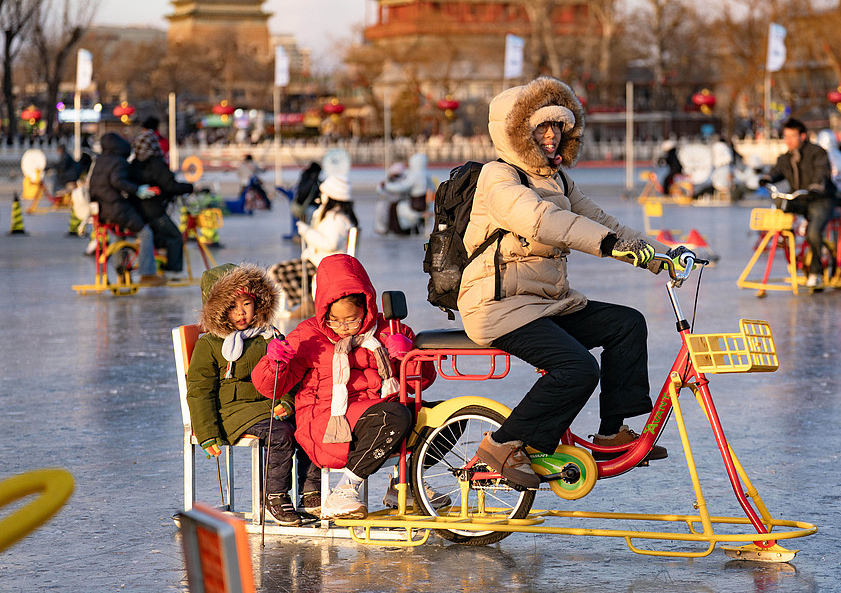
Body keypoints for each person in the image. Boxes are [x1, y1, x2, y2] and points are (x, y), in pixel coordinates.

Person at [458, 76, 694, 489]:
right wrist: (606, 245)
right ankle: (502, 444)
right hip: (498, 305)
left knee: (626, 324)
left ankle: (611, 434)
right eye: (541, 127)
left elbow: (604, 222)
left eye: (557, 126)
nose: (551, 136)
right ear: (516, 133)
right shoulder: (498, 178)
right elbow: (540, 219)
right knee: (577, 368)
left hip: (546, 302)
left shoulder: (559, 180)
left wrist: (663, 256)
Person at [252, 254, 440, 519]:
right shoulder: (308, 335)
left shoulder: (391, 329)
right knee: (395, 415)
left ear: (367, 307)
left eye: (351, 320)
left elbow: (423, 382)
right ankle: (344, 490)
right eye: (334, 320)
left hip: (379, 411)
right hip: (327, 420)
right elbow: (270, 388)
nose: (343, 328)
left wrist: (410, 356)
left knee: (445, 417)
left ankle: (405, 482)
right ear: (324, 312)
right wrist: (274, 363)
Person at [185, 263, 315, 525]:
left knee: (309, 423)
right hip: (231, 412)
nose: (241, 312)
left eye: (246, 304)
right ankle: (274, 497)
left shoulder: (269, 336)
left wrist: (287, 402)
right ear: (218, 309)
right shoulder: (210, 344)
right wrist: (207, 434)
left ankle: (311, 492)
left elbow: (289, 375)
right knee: (281, 434)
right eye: (232, 306)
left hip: (266, 406)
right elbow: (199, 390)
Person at [760, 117, 837, 289]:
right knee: (780, 208)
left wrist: (816, 185)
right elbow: (777, 171)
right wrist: (767, 178)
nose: (788, 140)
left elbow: (821, 171)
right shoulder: (785, 157)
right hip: (799, 198)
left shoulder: (817, 153)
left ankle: (816, 271)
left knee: (814, 232)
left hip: (820, 199)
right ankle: (792, 251)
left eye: (791, 136)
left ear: (802, 136)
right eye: (785, 136)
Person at [268, 176, 358, 316]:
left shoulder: (336, 219)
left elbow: (330, 244)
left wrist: (307, 232)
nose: (320, 196)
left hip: (324, 262)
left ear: (331, 196)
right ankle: (304, 302)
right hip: (320, 260)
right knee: (284, 270)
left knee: (279, 271)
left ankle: (304, 303)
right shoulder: (333, 215)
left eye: (323, 193)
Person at [88, 132, 161, 283]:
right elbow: (117, 181)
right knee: (146, 233)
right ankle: (147, 274)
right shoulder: (118, 161)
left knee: (118, 235)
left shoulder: (100, 160)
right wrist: (138, 190)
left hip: (102, 210)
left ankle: (121, 273)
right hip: (116, 208)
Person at [128, 131, 194, 281]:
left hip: (137, 210)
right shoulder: (156, 164)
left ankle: (159, 267)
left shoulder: (134, 164)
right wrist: (190, 187)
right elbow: (170, 186)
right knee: (174, 236)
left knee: (159, 237)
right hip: (154, 210)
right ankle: (173, 271)